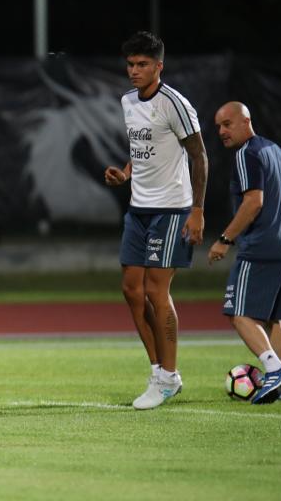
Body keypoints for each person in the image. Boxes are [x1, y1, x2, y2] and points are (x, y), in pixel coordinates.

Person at [104, 31, 208, 410]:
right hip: (139, 207)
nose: (134, 71)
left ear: (159, 67)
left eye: (142, 64)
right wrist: (127, 173)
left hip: (172, 208)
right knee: (131, 290)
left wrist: (197, 210)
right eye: (130, 64)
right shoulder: (128, 101)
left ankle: (167, 375)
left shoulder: (175, 104)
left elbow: (199, 156)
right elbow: (142, 147)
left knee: (155, 290)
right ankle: (161, 372)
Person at [207, 101, 281, 404]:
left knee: (238, 313)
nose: (221, 131)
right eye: (218, 126)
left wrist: (225, 239)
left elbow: (253, 202)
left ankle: (274, 370)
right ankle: (280, 388)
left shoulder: (247, 154)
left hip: (260, 245)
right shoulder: (276, 150)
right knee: (271, 317)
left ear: (246, 121)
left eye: (227, 124)